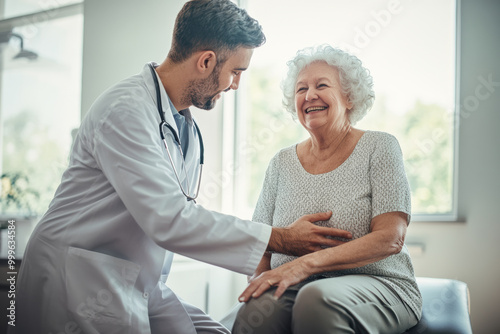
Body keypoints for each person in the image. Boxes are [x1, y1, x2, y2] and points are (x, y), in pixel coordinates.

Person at [11, 3, 352, 334]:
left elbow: (180, 212)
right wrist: (281, 239)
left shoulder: (182, 124)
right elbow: (169, 218)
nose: (235, 85)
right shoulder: (125, 111)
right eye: (235, 72)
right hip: (76, 279)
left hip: (137, 280)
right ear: (206, 61)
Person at [231, 45, 423, 334]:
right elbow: (262, 241)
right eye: (301, 89)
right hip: (298, 285)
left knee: (317, 300)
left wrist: (304, 265)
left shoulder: (380, 147)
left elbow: (390, 238)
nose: (310, 96)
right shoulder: (281, 163)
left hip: (380, 284)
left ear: (349, 97)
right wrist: (261, 281)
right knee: (256, 310)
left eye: (322, 85)